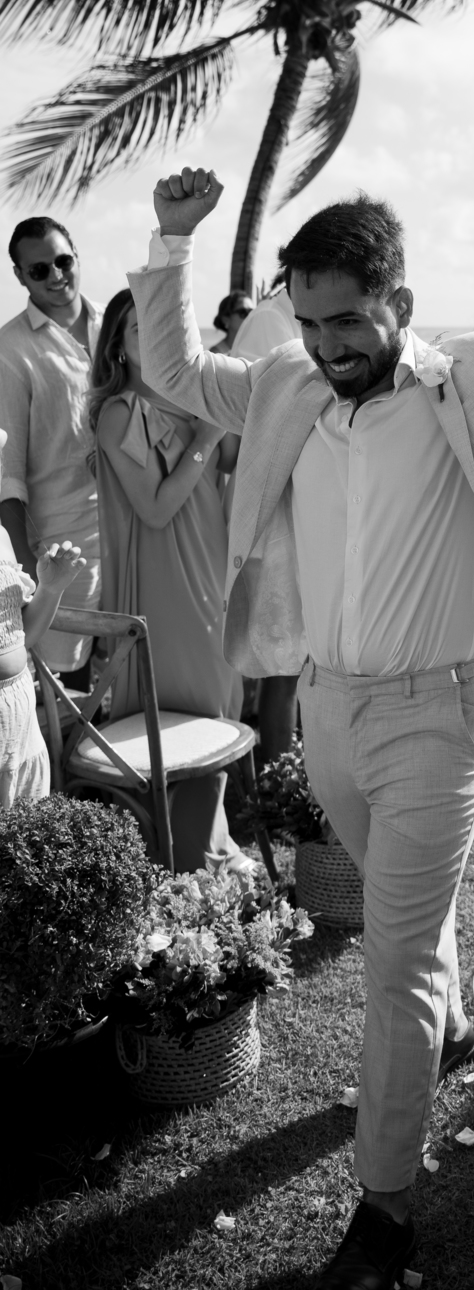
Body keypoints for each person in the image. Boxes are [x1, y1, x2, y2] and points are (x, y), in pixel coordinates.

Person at [127, 153, 474, 1290]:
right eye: (308, 321)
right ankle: (453, 1027)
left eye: (347, 318)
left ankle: (384, 1208)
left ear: (399, 302)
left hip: (443, 717)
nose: (326, 341)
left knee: (394, 959)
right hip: (328, 716)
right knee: (402, 930)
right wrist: (167, 242)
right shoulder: (286, 387)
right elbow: (166, 371)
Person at [90, 290, 243, 871]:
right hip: (165, 585)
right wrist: (204, 439)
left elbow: (233, 457)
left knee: (220, 704)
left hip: (211, 569)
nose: (150, 343)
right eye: (137, 331)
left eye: (162, 331)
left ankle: (209, 848)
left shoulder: (189, 401)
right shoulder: (119, 413)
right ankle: (190, 870)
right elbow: (154, 508)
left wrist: (212, 404)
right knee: (198, 710)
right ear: (119, 348)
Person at [0, 218, 102, 687]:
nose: (56, 275)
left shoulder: (116, 325)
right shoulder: (10, 349)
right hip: (64, 546)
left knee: (129, 669)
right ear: (19, 276)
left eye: (63, 261)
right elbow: (7, 476)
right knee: (66, 683)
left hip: (136, 529)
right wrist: (29, 577)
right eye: (39, 270)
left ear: (77, 256)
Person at [230, 278, 304, 760]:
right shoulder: (266, 323)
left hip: (302, 514)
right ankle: (280, 776)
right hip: (275, 519)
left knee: (296, 659)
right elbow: (246, 424)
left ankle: (288, 768)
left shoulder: (294, 321)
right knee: (283, 660)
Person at [0, 442, 86, 810]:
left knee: (24, 844)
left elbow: (21, 637)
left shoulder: (2, 537)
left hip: (20, 713)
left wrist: (51, 588)